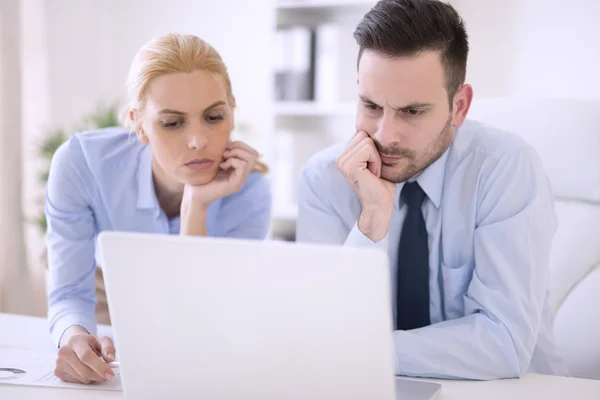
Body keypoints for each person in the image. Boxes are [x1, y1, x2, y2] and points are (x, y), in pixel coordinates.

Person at [296, 0, 568, 380]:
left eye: (412, 111)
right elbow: (318, 334)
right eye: (371, 105)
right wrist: (371, 221)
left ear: (459, 106)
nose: (384, 135)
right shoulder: (323, 180)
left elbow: (503, 343)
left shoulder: (505, 168)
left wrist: (361, 348)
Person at [46, 33, 272, 384]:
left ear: (232, 107)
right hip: (109, 286)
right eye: (172, 122)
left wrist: (195, 205)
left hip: (188, 313)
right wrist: (74, 337)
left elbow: (201, 325)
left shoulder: (249, 190)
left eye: (214, 117)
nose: (198, 140)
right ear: (138, 123)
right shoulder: (81, 164)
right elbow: (70, 292)